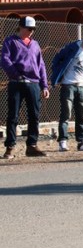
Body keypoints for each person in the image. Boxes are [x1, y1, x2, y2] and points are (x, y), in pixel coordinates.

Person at [1, 16, 50, 159]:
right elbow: (4, 60)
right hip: (16, 83)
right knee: (13, 116)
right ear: (20, 27)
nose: (31, 32)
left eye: (33, 29)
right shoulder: (10, 41)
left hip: (33, 84)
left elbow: (41, 65)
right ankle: (10, 147)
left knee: (34, 115)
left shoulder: (35, 44)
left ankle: (32, 146)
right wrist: (16, 75)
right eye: (29, 29)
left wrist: (44, 85)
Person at [51, 27, 83, 152]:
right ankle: (63, 142)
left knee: (82, 116)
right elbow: (57, 58)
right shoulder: (74, 47)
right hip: (68, 85)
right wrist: (57, 76)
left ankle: (82, 142)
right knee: (65, 114)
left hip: (82, 86)